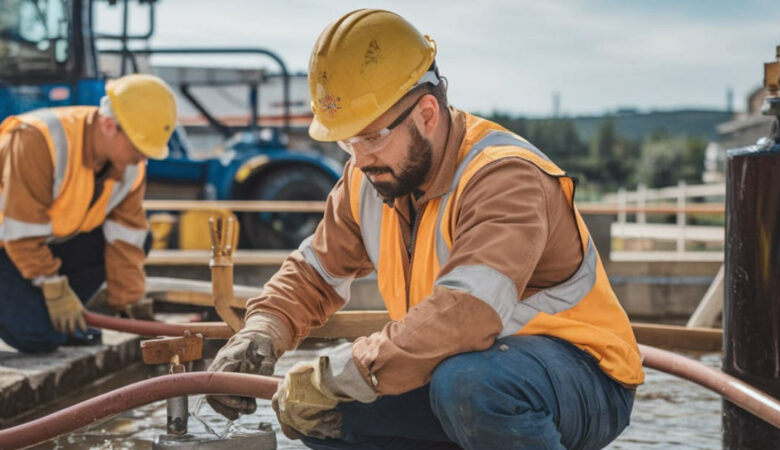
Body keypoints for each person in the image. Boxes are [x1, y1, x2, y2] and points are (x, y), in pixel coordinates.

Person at [206, 9, 643, 450]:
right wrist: (262, 331)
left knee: (471, 385)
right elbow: (314, 273)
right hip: (462, 366)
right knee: (324, 413)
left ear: (428, 114)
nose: (359, 158)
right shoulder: (371, 177)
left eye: (372, 136)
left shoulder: (505, 177)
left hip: (578, 376)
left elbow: (465, 314)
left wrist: (341, 372)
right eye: (347, 141)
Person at [0, 74, 177, 353]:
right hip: (11, 244)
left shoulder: (129, 166)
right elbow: (21, 232)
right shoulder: (38, 140)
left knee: (141, 238)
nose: (142, 158)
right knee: (39, 338)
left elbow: (127, 239)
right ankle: (44, 319)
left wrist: (127, 303)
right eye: (138, 148)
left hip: (38, 246)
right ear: (109, 126)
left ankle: (57, 320)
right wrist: (54, 289)